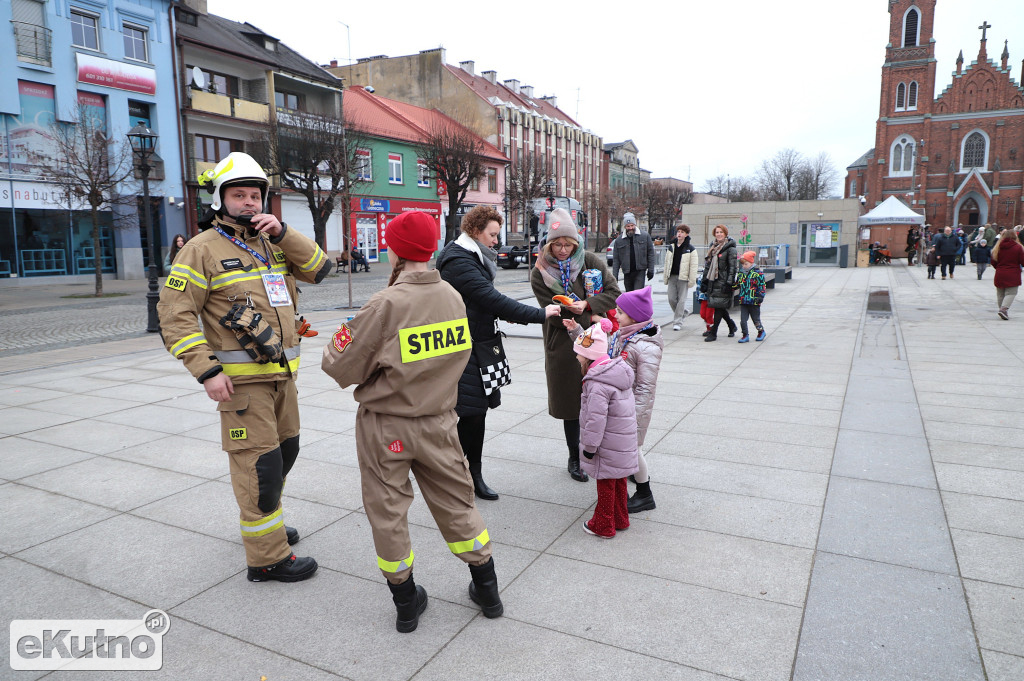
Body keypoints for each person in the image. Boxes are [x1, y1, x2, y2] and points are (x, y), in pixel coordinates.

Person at [320, 211, 503, 632]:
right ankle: (487, 590)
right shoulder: (452, 296)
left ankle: (406, 603)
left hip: (387, 425)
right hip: (440, 421)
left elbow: (338, 366)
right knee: (458, 503)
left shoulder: (385, 303)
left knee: (388, 512)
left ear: (395, 250)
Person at [157, 152, 331, 583]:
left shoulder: (272, 242)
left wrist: (286, 232)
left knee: (283, 455)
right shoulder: (201, 250)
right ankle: (267, 559)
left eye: (255, 196)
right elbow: (174, 316)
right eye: (239, 195)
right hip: (240, 387)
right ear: (220, 199)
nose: (250, 203)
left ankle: (266, 525)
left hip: (283, 379)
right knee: (260, 468)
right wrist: (207, 371)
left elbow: (320, 269)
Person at [437, 206, 560, 500]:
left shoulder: (472, 255)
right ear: (476, 231)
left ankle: (467, 473)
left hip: (478, 345)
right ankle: (464, 475)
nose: (496, 241)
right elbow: (492, 299)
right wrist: (541, 314)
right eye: (492, 235)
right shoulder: (458, 261)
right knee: (470, 413)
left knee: (474, 414)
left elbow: (487, 304)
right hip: (463, 349)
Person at [531, 208, 621, 483]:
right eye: (556, 244)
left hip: (596, 342)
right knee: (571, 403)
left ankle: (603, 452)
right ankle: (575, 456)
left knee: (600, 399)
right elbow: (553, 313)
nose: (561, 249)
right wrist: (584, 312)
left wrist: (589, 304)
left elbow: (614, 292)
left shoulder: (591, 260)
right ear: (548, 244)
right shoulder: (540, 272)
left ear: (576, 243)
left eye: (567, 244)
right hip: (563, 345)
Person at [572, 318, 638, 538]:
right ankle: (621, 518)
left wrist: (589, 447)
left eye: (579, 353)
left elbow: (595, 420)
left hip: (606, 444)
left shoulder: (597, 382)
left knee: (605, 484)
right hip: (621, 442)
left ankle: (603, 525)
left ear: (590, 356)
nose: (576, 356)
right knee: (618, 481)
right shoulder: (617, 372)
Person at [703, 224, 738, 342]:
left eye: (721, 232)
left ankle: (714, 332)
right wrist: (704, 280)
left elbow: (733, 268)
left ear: (725, 234)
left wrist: (729, 283)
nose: (719, 234)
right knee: (719, 306)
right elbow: (708, 265)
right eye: (717, 232)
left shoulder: (730, 248)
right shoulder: (712, 247)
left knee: (718, 307)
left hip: (723, 281)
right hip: (713, 281)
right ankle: (731, 325)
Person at [663, 225, 700, 330]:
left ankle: (677, 322)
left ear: (686, 234)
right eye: (678, 231)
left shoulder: (690, 248)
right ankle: (683, 312)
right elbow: (667, 262)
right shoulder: (671, 246)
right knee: (671, 299)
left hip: (683, 277)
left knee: (681, 300)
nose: (679, 234)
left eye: (682, 232)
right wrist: (666, 275)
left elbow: (693, 266)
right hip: (672, 276)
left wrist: (692, 279)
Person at [611, 212, 655, 292]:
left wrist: (651, 269)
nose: (630, 228)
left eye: (632, 225)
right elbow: (616, 259)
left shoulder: (645, 236)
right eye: (628, 226)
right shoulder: (619, 240)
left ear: (635, 225)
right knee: (629, 295)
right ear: (625, 227)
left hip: (640, 270)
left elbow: (650, 253)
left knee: (637, 293)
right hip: (627, 272)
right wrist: (615, 276)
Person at [990, 228, 1024, 320]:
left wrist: (999, 268)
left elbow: (993, 261)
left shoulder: (997, 247)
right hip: (1013, 273)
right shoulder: (1018, 247)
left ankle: (1002, 310)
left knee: (1000, 293)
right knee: (1011, 292)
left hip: (1000, 273)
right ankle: (1003, 309)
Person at [735, 251, 767, 342]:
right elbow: (737, 284)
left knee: (756, 319)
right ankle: (745, 335)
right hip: (743, 300)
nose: (744, 266)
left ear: (751, 263)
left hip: (754, 301)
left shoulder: (758, 274)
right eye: (742, 264)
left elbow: (762, 286)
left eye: (746, 264)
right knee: (743, 320)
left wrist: (760, 296)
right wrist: (730, 286)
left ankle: (761, 331)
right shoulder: (741, 274)